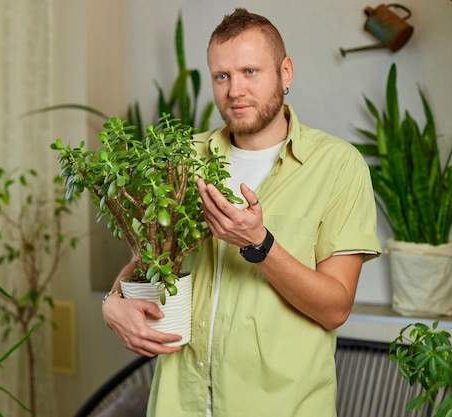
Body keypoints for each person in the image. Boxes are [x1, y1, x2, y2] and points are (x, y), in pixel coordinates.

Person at [102, 8, 382, 417]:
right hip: (180, 406)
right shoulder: (182, 158)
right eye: (222, 76)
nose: (235, 90)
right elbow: (147, 261)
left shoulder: (338, 166)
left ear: (285, 73)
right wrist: (112, 302)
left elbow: (335, 307)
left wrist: (260, 244)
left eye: (250, 71)